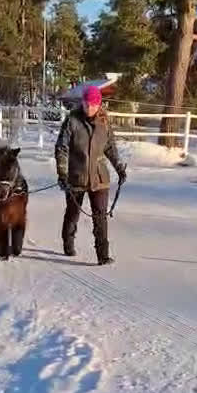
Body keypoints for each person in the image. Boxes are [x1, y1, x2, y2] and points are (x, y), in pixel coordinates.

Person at [55, 85, 127, 265]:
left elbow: (110, 147)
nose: (89, 108)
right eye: (86, 105)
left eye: (93, 105)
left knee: (100, 216)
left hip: (99, 177)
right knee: (72, 213)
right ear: (82, 103)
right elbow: (61, 148)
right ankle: (68, 242)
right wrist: (62, 173)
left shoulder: (104, 122)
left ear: (99, 105)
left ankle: (103, 255)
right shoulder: (72, 121)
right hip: (76, 176)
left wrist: (119, 168)